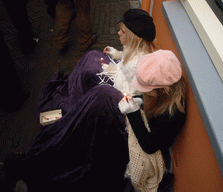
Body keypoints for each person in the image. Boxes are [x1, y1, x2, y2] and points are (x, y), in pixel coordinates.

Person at [2, 9, 157, 192]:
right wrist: (115, 55)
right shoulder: (136, 49)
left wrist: (108, 70)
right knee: (92, 59)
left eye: (123, 32)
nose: (118, 33)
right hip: (118, 83)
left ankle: (64, 129)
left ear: (136, 38)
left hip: (120, 102)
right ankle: (74, 100)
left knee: (96, 82)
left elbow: (127, 90)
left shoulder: (141, 66)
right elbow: (125, 58)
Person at [118, 50, 187, 191]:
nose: (143, 92)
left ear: (165, 89)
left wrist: (134, 114)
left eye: (147, 89)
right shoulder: (166, 88)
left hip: (152, 148)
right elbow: (152, 98)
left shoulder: (172, 115)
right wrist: (141, 102)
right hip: (149, 128)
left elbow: (149, 147)